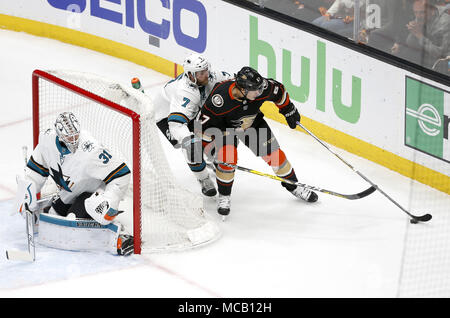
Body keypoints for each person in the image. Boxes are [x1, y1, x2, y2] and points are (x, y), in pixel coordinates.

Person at [197, 67, 318, 217]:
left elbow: (279, 91)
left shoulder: (261, 88)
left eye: (260, 88)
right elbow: (203, 126)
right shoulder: (219, 99)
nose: (260, 92)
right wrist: (204, 147)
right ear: (242, 89)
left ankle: (293, 185)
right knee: (228, 160)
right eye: (255, 90)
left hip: (252, 124)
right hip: (224, 128)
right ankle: (224, 196)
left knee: (275, 156)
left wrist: (288, 108)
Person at [15, 112, 133, 256]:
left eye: (76, 135)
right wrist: (28, 190)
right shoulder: (47, 141)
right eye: (69, 136)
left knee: (73, 219)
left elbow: (123, 173)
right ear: (59, 134)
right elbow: (35, 171)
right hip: (70, 192)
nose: (74, 139)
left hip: (92, 193)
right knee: (52, 216)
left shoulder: (91, 150)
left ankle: (122, 237)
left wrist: (110, 199)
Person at [149, 53, 233, 197]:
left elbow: (232, 82)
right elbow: (176, 124)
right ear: (190, 75)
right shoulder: (183, 92)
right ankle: (204, 179)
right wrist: (188, 141)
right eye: (201, 73)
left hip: (192, 112)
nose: (206, 75)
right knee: (192, 150)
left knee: (213, 131)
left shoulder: (212, 76)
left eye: (206, 70)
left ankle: (213, 158)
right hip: (167, 118)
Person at [399, 0, 450, 70]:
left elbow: (440, 54)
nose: (418, 16)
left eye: (421, 12)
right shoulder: (421, 16)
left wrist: (419, 35)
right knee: (403, 53)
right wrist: (414, 31)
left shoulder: (445, 23)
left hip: (443, 61)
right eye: (415, 12)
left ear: (432, 11)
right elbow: (410, 42)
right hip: (428, 52)